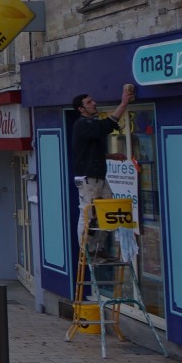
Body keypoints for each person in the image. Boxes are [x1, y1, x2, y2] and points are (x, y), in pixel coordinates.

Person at [72, 84, 134, 255]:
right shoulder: (83, 124)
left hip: (98, 176)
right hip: (88, 179)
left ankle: (98, 248)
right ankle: (87, 249)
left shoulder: (89, 124)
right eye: (89, 102)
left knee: (109, 211)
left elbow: (88, 151)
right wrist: (123, 104)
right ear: (81, 109)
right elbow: (105, 126)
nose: (94, 103)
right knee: (88, 212)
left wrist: (110, 156)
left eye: (93, 100)